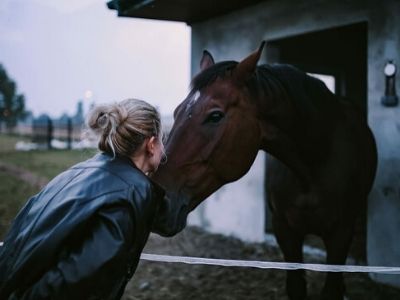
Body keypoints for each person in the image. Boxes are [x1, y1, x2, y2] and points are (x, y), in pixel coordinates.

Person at [0, 99, 169, 300]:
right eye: (162, 139)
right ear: (151, 145)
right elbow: (78, 282)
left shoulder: (76, 172)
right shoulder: (130, 193)